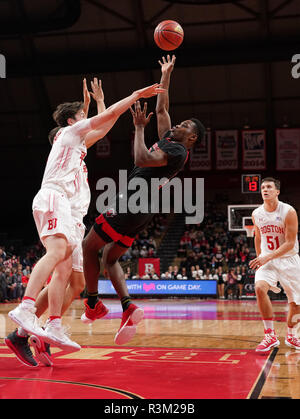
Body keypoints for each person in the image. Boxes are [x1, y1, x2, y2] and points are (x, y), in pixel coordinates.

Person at [7, 81, 164, 354]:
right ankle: (26, 309)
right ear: (72, 121)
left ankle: (51, 326)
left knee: (74, 279)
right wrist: (135, 94)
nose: (86, 119)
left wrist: (98, 104)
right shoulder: (69, 133)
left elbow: (103, 127)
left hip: (73, 216)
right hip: (55, 199)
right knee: (58, 254)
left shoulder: (79, 148)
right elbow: (107, 118)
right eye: (83, 115)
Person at [81, 54, 205, 346]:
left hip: (131, 202)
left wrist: (137, 127)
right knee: (110, 258)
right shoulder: (169, 140)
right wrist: (166, 74)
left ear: (192, 139)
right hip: (142, 212)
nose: (179, 124)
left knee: (88, 246)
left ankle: (92, 304)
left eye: (186, 125)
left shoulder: (177, 153)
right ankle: (128, 306)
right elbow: (163, 108)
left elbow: (141, 158)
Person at [250, 177, 300, 352]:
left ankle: (292, 335)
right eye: (263, 187)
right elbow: (257, 237)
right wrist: (260, 258)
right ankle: (269, 335)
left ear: (277, 191)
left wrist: (267, 257)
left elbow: (290, 243)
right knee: (259, 288)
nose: (265, 189)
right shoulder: (256, 213)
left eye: (269, 187)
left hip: (289, 259)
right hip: (267, 259)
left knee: (296, 303)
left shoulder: (288, 211)